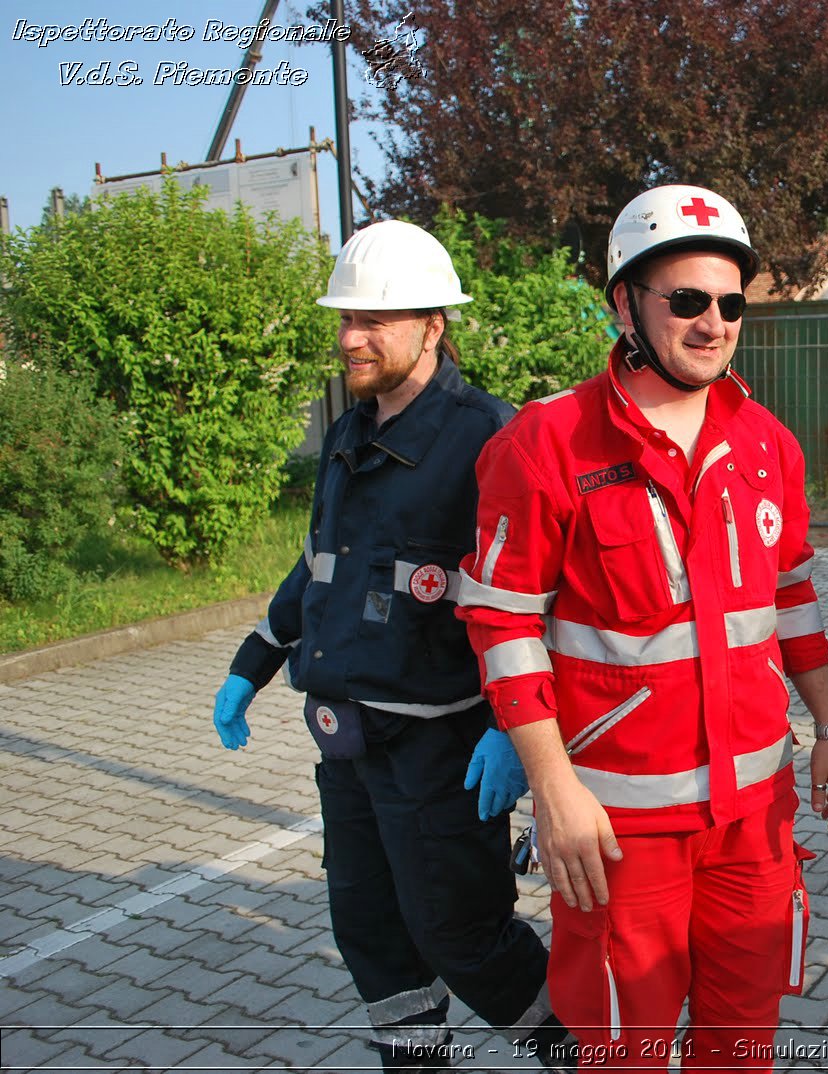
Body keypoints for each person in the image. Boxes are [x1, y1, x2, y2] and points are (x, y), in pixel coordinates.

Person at [455, 184, 828, 1071]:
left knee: (741, 1049)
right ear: (624, 305)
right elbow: (503, 621)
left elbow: (790, 596)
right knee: (617, 1055)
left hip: (753, 828)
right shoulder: (546, 443)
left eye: (730, 303)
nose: (713, 321)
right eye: (687, 300)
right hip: (617, 835)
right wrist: (551, 789)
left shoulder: (767, 446)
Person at [210, 220, 573, 1072]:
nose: (351, 338)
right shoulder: (348, 434)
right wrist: (253, 663)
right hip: (348, 741)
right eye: (345, 319)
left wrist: (516, 728)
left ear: (433, 326)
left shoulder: (494, 437)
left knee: (463, 937)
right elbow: (320, 569)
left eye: (375, 320)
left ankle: (586, 1055)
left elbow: (545, 596)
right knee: (371, 934)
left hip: (444, 748)